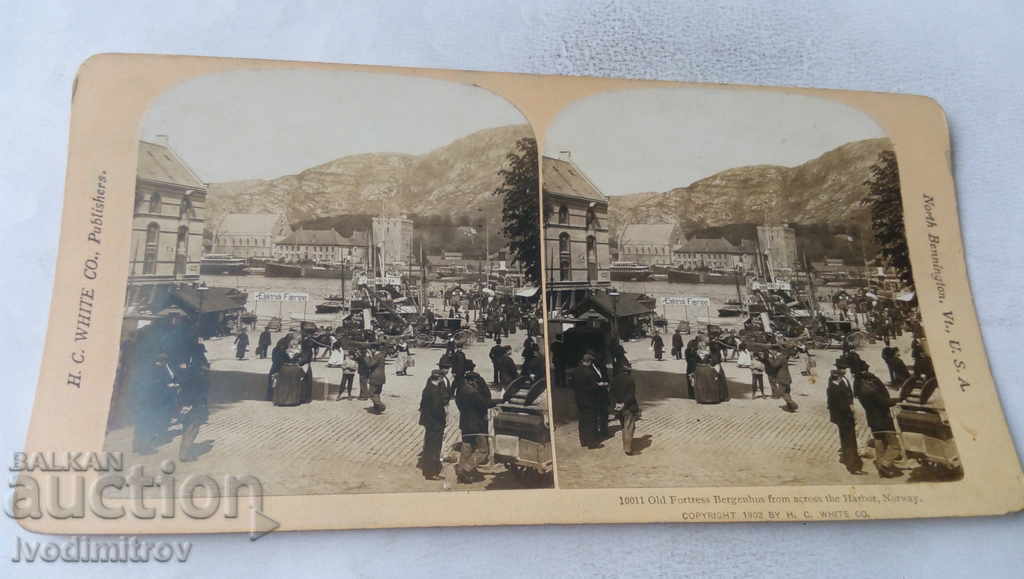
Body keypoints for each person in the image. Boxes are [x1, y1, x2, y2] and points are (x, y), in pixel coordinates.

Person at [853, 360, 903, 478]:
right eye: (866, 370)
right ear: (863, 372)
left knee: (879, 443)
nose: (868, 371)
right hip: (882, 419)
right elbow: (883, 402)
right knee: (894, 445)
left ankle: (882, 469)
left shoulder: (858, 384)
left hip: (873, 419)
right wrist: (899, 399)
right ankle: (885, 464)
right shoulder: (869, 387)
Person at [454, 360, 496, 483]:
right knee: (483, 450)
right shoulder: (472, 393)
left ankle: (461, 471)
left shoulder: (460, 390)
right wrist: (499, 401)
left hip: (465, 423)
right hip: (476, 425)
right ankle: (466, 469)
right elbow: (484, 404)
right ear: (472, 381)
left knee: (467, 447)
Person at [826, 359, 865, 474]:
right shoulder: (834, 387)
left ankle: (847, 458)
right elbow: (837, 403)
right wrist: (850, 409)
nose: (845, 371)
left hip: (845, 415)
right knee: (850, 440)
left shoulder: (843, 379)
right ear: (837, 373)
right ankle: (853, 466)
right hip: (844, 417)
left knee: (847, 439)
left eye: (845, 369)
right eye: (842, 369)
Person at [132, 353, 176, 455]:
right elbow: (156, 386)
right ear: (162, 362)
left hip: (141, 401)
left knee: (140, 424)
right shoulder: (156, 370)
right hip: (150, 401)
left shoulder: (146, 369)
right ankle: (145, 448)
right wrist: (168, 386)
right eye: (164, 362)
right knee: (148, 424)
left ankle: (136, 446)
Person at [418, 359, 451, 480]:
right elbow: (437, 410)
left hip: (429, 423)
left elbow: (422, 406)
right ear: (439, 379)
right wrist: (443, 420)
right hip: (435, 424)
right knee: (434, 447)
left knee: (428, 446)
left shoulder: (427, 389)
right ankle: (431, 472)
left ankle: (429, 470)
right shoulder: (435, 392)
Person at [568, 352, 606, 449]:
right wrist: (599, 385)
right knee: (591, 421)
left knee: (583, 420)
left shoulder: (576, 371)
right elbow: (593, 387)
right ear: (589, 362)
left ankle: (583, 440)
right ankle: (592, 442)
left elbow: (571, 384)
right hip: (590, 400)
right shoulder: (589, 373)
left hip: (579, 399)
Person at [175, 358, 209, 462]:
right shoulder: (200, 378)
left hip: (185, 406)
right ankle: (185, 455)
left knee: (186, 430)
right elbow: (198, 394)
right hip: (194, 407)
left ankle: (183, 453)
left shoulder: (186, 375)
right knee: (192, 430)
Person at [610, 366, 640, 455]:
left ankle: (625, 446)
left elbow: (611, 393)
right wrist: (624, 404)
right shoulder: (630, 380)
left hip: (618, 407)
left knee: (623, 427)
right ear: (629, 371)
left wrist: (616, 404)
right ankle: (628, 449)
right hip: (628, 407)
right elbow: (631, 395)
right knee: (629, 427)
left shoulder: (615, 379)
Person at [766, 345, 799, 412]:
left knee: (783, 392)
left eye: (771, 352)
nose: (771, 353)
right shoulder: (783, 357)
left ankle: (792, 404)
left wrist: (770, 358)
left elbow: (774, 365)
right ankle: (790, 406)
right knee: (787, 392)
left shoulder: (780, 358)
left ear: (775, 351)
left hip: (782, 378)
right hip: (786, 377)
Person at [267, 334, 293, 401]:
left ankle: (270, 397)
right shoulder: (281, 351)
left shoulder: (275, 350)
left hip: (274, 368)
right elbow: (282, 360)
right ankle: (273, 397)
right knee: (275, 383)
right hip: (277, 369)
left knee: (272, 383)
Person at [366, 346, 387, 413]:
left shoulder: (377, 356)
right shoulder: (382, 355)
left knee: (371, 393)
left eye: (370, 349)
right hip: (381, 377)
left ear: (374, 349)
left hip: (375, 377)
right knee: (377, 393)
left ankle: (380, 405)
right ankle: (377, 408)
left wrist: (369, 356)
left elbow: (370, 365)